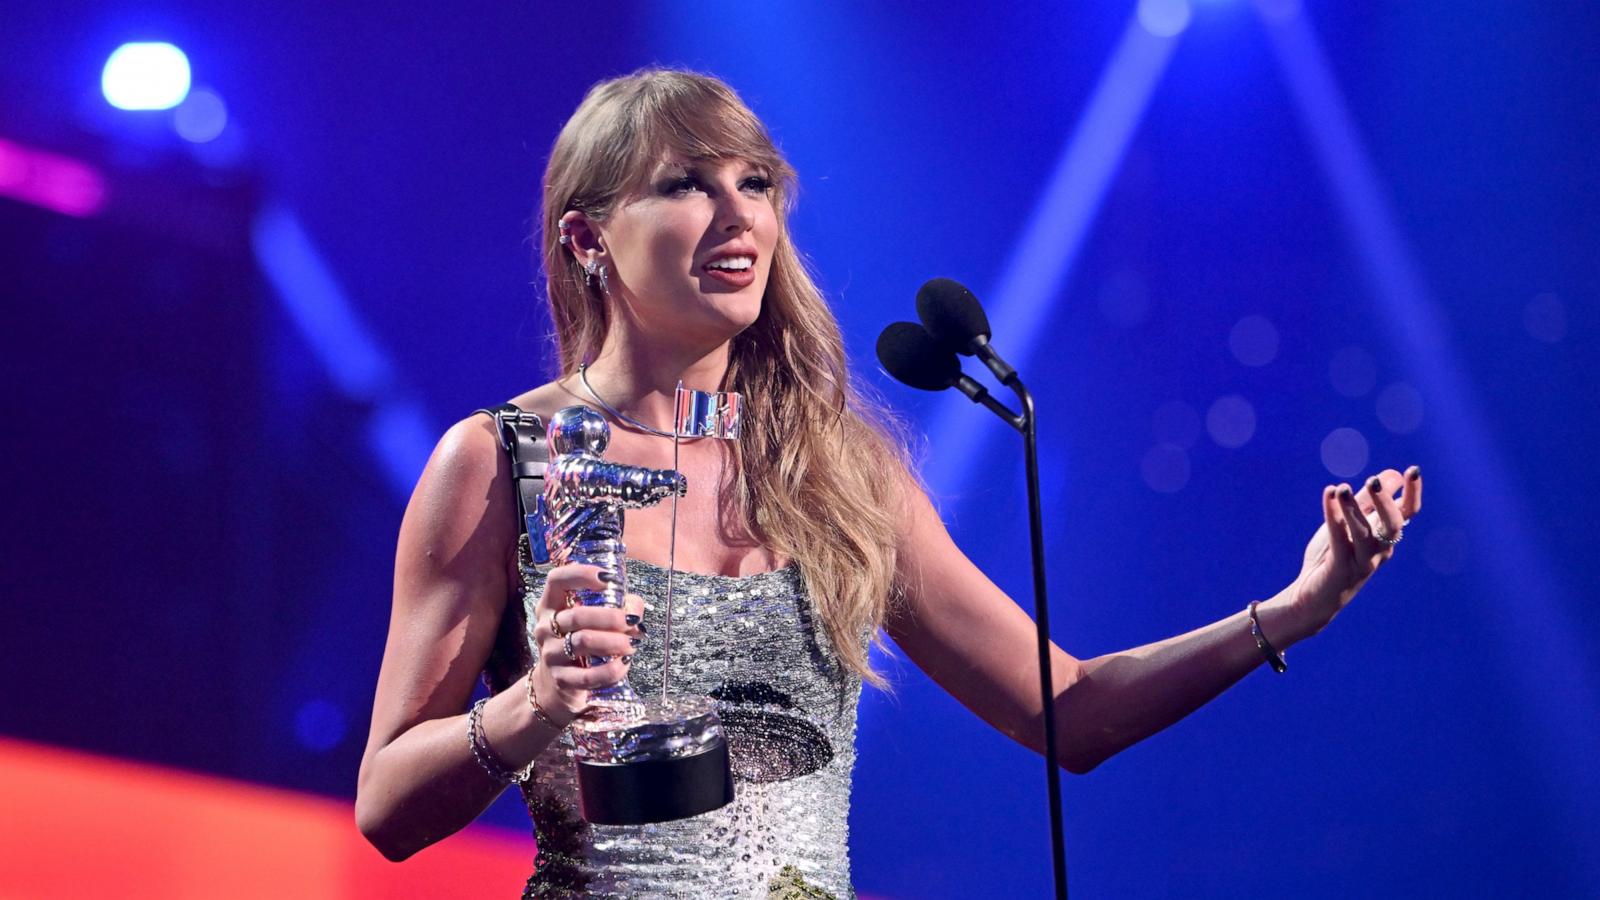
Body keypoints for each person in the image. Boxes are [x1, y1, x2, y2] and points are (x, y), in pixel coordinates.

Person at [355, 68, 1424, 899]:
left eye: (755, 183)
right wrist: (537, 704)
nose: (738, 215)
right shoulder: (497, 462)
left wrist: (1292, 611)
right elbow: (387, 809)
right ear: (586, 238)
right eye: (686, 183)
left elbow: (1071, 712)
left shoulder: (837, 472)